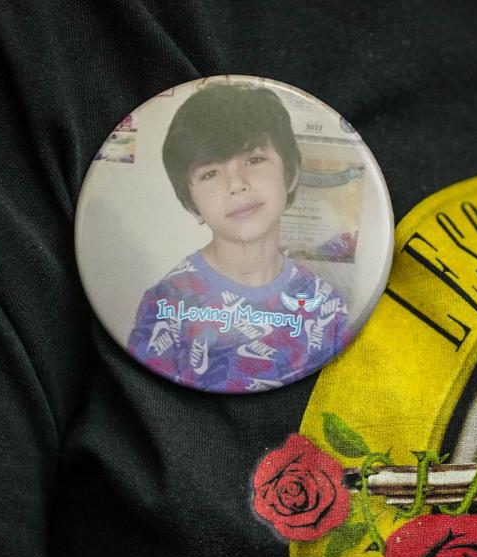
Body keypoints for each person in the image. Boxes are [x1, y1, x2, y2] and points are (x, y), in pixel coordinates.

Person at [127, 82, 349, 393]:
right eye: (210, 173)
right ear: (192, 204)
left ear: (292, 173)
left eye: (254, 159)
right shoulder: (165, 303)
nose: (236, 184)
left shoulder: (326, 305)